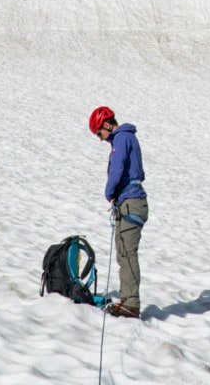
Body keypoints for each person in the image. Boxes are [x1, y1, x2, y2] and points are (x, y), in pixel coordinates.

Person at [89, 106, 148, 319]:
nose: (100, 138)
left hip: (130, 202)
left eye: (99, 133)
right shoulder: (124, 138)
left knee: (127, 252)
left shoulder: (122, 138)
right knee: (124, 251)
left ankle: (131, 304)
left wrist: (109, 191)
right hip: (131, 201)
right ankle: (128, 300)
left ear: (107, 124)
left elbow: (118, 168)